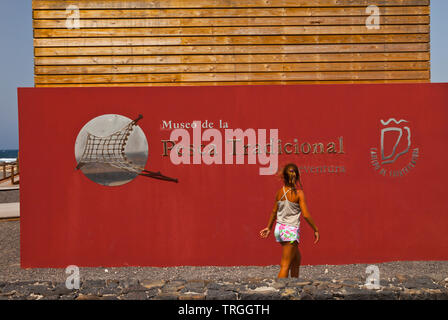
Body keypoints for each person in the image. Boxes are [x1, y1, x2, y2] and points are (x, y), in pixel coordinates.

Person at [259, 163, 319, 278]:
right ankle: (280, 292)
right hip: (290, 232)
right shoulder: (299, 194)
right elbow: (306, 215)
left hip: (280, 230)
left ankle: (294, 287)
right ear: (296, 176)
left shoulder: (279, 193)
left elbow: (273, 211)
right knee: (285, 264)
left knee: (296, 259)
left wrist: (269, 227)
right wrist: (315, 229)